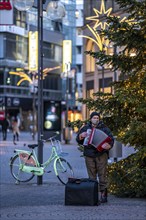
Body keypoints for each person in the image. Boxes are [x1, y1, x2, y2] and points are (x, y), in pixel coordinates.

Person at [76, 111, 114, 203]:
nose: (96, 119)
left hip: (101, 154)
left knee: (102, 175)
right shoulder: (85, 128)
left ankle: (103, 194)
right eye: (94, 118)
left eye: (97, 118)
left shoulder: (104, 128)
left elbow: (111, 140)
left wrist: (108, 145)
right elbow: (78, 139)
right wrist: (81, 136)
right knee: (91, 176)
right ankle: (93, 195)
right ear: (90, 119)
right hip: (89, 154)